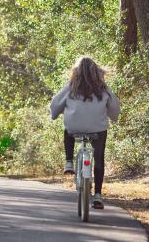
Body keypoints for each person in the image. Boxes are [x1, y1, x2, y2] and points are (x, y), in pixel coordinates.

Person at [50, 57, 120, 209]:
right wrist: (113, 118)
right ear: (96, 71)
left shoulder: (70, 87)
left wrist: (55, 115)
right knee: (99, 158)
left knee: (67, 130)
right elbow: (114, 108)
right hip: (98, 129)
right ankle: (98, 195)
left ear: (76, 71)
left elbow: (55, 105)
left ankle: (69, 162)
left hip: (74, 128)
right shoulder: (103, 88)